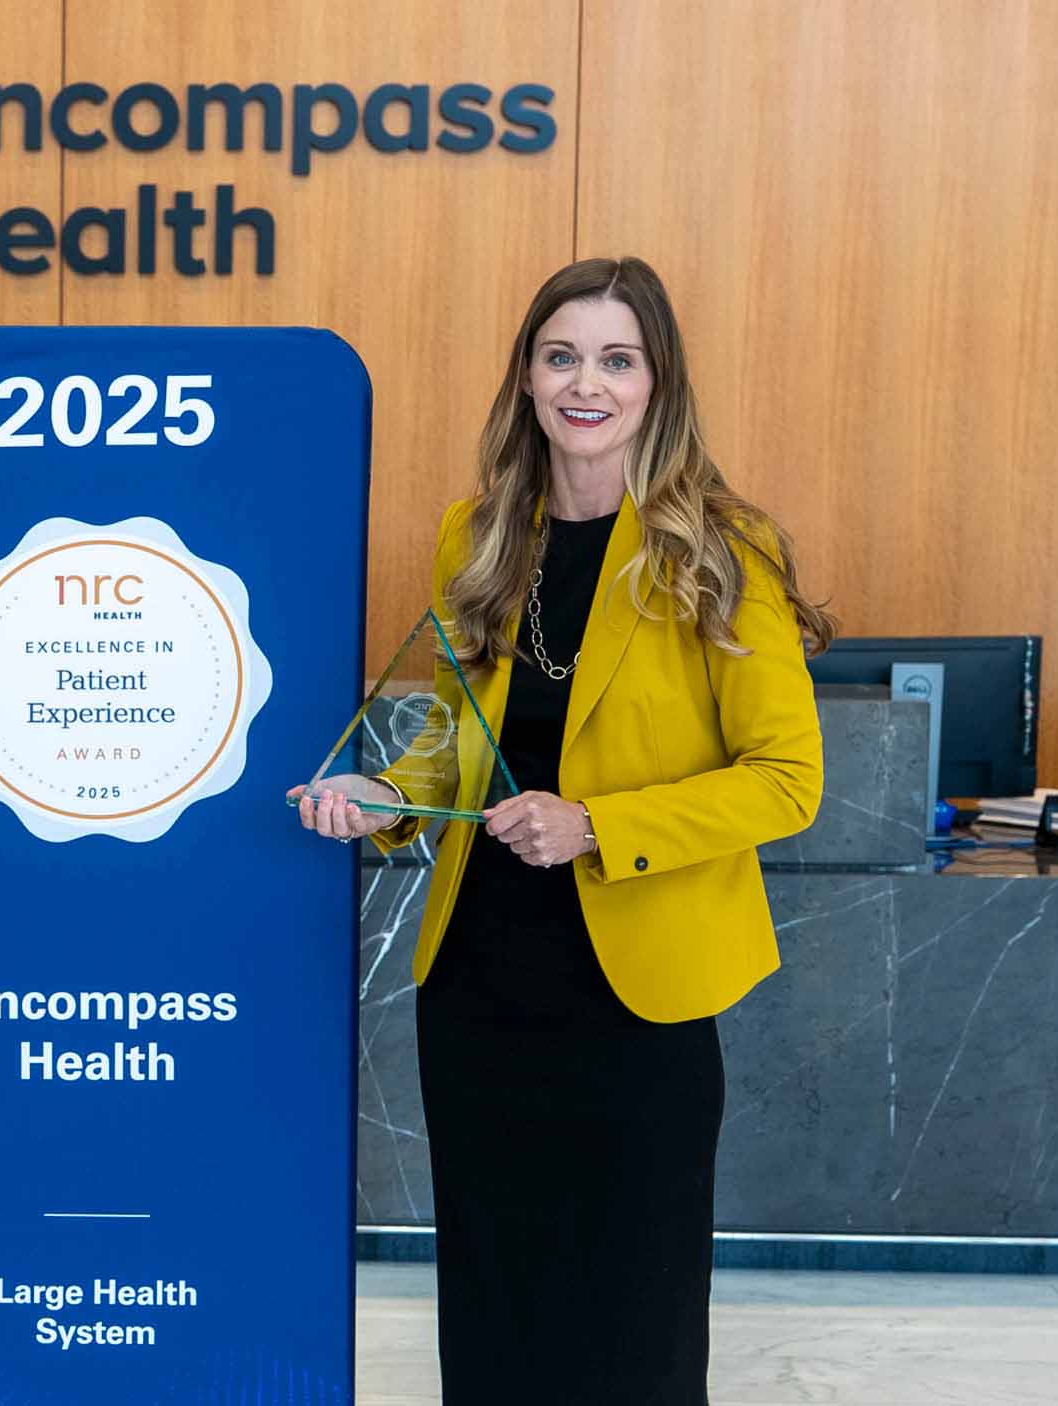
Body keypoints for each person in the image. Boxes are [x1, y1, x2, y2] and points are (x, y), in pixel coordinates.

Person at [294, 256, 831, 1403]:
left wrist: (597, 824)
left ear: (656, 385)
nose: (586, 382)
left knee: (630, 1311)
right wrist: (387, 801)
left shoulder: (723, 551)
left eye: (616, 359)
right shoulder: (477, 536)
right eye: (561, 355)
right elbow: (461, 741)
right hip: (481, 985)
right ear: (528, 379)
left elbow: (787, 781)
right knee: (495, 1299)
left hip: (637, 991)